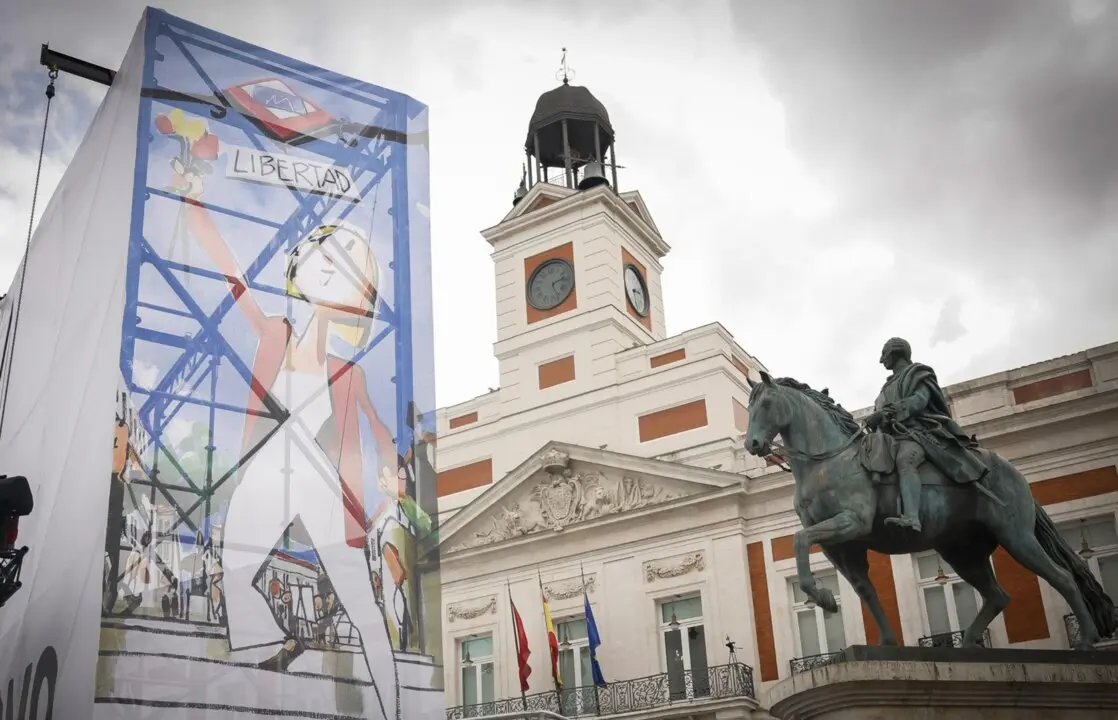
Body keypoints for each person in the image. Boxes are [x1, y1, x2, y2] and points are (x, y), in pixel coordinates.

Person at [171, 144, 400, 719]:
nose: (332, 262)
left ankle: (395, 711)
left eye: (348, 260)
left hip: (322, 483)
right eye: (326, 252)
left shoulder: (350, 370)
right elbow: (234, 279)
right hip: (269, 471)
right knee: (235, 567)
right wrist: (192, 204)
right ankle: (273, 642)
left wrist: (391, 471)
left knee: (362, 603)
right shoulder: (273, 332)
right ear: (301, 265)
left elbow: (376, 429)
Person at [864, 337, 987, 533]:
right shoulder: (886, 387)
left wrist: (888, 413)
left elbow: (919, 401)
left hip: (917, 433)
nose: (882, 361)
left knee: (905, 460)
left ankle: (912, 517)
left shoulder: (918, 374)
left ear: (895, 352)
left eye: (884, 355)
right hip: (889, 438)